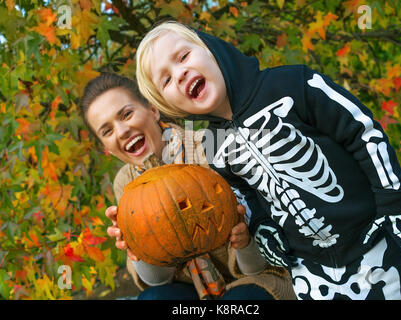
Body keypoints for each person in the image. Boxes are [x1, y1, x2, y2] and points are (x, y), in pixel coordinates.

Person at [135, 21, 401, 300]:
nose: (181, 73)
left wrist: (395, 203)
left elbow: (362, 132)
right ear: (170, 105)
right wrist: (263, 228)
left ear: (212, 49)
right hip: (309, 269)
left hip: (369, 242)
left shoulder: (291, 84)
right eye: (167, 80)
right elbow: (247, 195)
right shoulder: (214, 145)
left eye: (184, 56)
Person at [79, 72, 295, 300]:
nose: (122, 131)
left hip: (255, 278)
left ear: (153, 110)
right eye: (107, 131)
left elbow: (258, 266)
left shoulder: (210, 147)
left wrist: (245, 242)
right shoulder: (126, 182)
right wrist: (137, 249)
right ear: (108, 149)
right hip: (192, 291)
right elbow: (158, 281)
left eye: (126, 114)